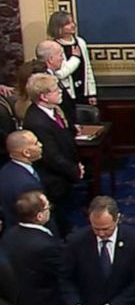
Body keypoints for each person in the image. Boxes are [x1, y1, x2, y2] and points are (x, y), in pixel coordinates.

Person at [60, 196, 135, 305]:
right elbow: (65, 278)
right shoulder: (76, 241)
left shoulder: (133, 239)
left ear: (117, 219)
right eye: (96, 229)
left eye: (106, 229)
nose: (101, 234)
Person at [21, 73, 82, 237]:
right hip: (53, 179)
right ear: (44, 97)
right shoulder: (37, 122)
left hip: (64, 171)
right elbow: (52, 157)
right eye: (56, 90)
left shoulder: (52, 111)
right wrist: (74, 170)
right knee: (60, 220)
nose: (60, 92)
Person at [1, 191, 65, 305]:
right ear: (39, 216)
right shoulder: (45, 246)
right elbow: (64, 272)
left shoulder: (10, 234)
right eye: (48, 207)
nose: (50, 209)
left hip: (21, 300)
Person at [48, 10, 98, 107]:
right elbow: (60, 74)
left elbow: (87, 68)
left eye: (72, 22)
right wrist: (75, 58)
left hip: (83, 91)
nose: (73, 25)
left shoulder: (80, 42)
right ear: (58, 27)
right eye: (68, 24)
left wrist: (92, 93)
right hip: (67, 95)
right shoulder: (54, 46)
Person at [0, 131, 44, 233]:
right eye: (36, 143)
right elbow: (35, 218)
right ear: (26, 152)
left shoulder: (5, 170)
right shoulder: (27, 185)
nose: (40, 145)